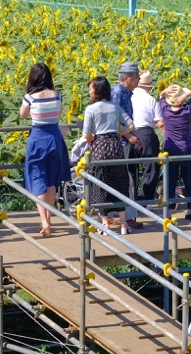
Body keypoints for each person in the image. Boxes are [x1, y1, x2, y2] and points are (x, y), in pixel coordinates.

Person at [20, 62, 72, 238]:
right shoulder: (57, 96)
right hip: (55, 137)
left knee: (37, 178)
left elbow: (23, 115)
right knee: (51, 181)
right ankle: (48, 219)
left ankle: (43, 221)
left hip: (38, 138)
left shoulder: (31, 97)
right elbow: (58, 116)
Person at [82, 75, 139, 234]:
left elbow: (86, 135)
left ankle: (105, 223)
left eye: (91, 89)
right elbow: (132, 124)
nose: (89, 92)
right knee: (119, 182)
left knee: (100, 183)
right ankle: (122, 223)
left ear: (97, 90)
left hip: (100, 146)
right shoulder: (115, 106)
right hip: (116, 145)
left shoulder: (91, 109)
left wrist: (92, 139)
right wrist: (120, 133)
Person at [158, 83, 191, 221]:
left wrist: (165, 90)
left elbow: (161, 96)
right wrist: (186, 95)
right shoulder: (187, 110)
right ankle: (190, 210)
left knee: (170, 179)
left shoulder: (165, 110)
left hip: (170, 149)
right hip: (187, 148)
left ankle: (169, 211)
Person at [125, 70, 162, 229]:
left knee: (129, 170)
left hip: (129, 134)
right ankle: (144, 201)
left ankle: (130, 202)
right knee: (151, 168)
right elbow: (159, 122)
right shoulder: (151, 99)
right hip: (146, 134)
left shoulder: (129, 97)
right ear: (149, 86)